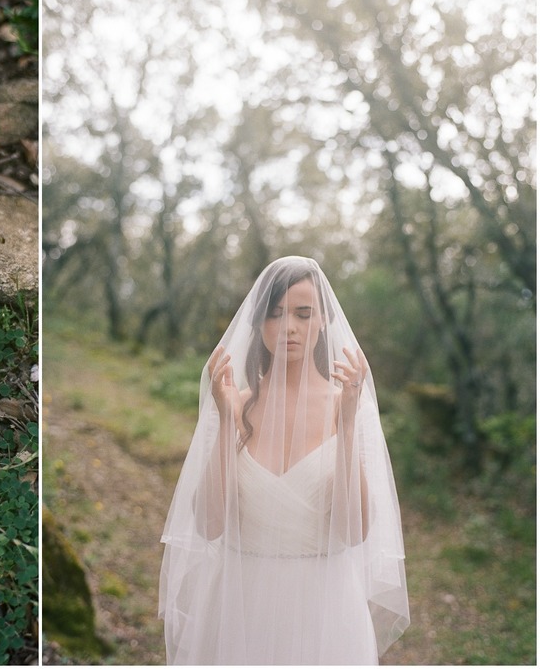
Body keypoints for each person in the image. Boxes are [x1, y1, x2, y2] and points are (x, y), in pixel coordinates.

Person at [159, 256, 409, 664]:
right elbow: (207, 524)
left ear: (324, 319)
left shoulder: (348, 405)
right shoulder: (234, 404)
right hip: (238, 605)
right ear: (259, 324)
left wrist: (345, 428)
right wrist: (226, 425)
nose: (289, 327)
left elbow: (355, 532)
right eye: (275, 315)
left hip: (325, 610)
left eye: (303, 313)